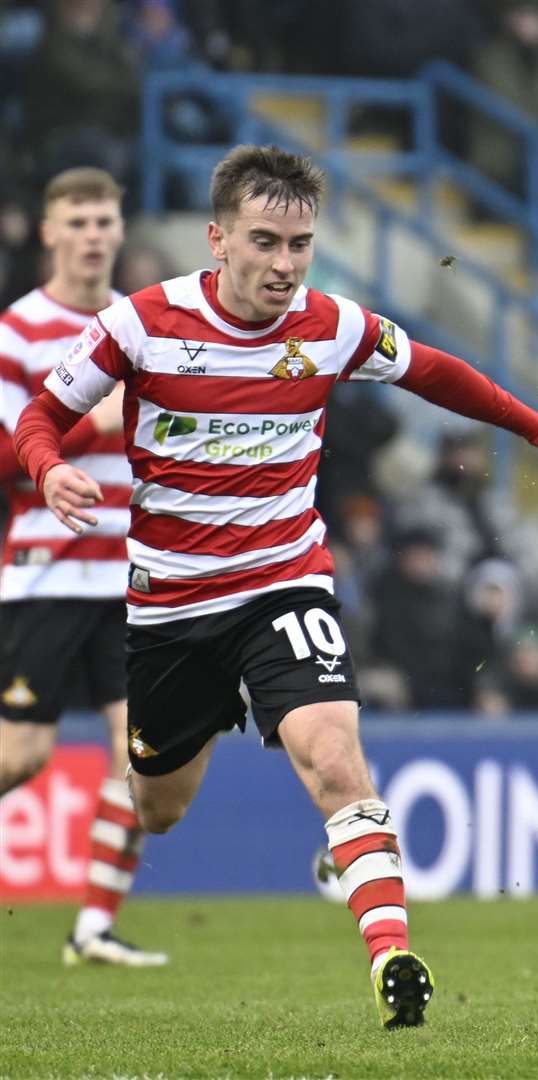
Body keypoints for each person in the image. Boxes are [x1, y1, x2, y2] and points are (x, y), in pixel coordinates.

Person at [11, 145, 538, 1027]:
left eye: (300, 245)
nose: (285, 266)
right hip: (172, 607)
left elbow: (435, 370)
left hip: (283, 581)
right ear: (217, 239)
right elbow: (39, 415)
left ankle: (392, 960)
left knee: (335, 758)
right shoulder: (140, 325)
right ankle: (340, 845)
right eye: (265, 242)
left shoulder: (332, 325)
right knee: (159, 806)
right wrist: (47, 466)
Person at [0, 167, 164, 967]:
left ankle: (93, 927)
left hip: (131, 575)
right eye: (80, 220)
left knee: (142, 754)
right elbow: (4, 453)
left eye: (107, 219)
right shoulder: (18, 331)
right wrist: (92, 425)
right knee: (22, 756)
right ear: (50, 232)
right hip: (49, 572)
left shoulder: (137, 326)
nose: (96, 234)